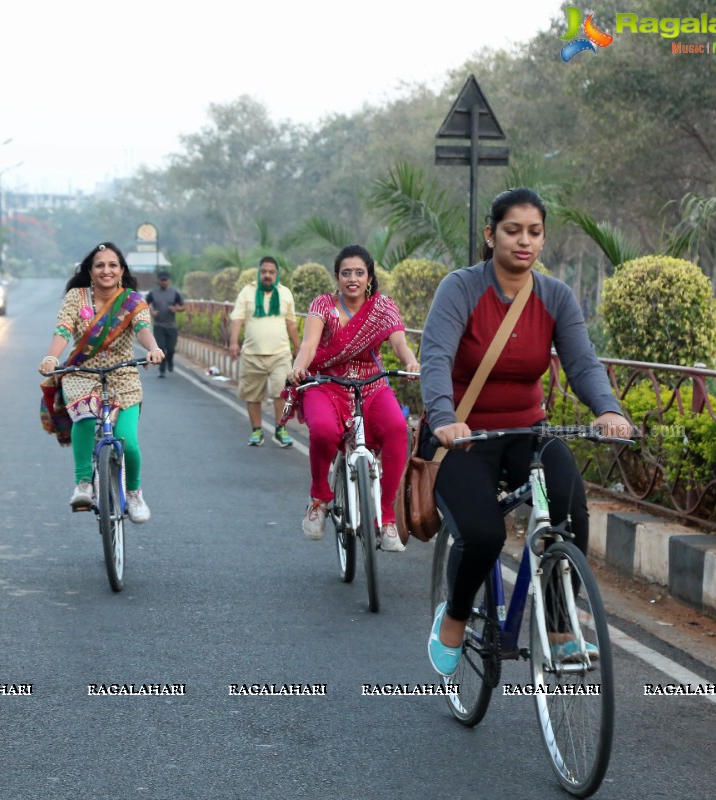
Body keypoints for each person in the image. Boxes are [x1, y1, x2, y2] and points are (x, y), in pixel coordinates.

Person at [418, 188, 632, 677]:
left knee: (568, 511)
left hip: (526, 433)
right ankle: (452, 616)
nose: (524, 241)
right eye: (513, 230)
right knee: (482, 533)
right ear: (491, 235)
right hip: (463, 437)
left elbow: (582, 363)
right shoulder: (461, 288)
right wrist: (444, 417)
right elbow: (435, 358)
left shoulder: (555, 296)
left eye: (534, 232)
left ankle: (559, 630)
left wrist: (608, 409)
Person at [288, 245, 420, 552]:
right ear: (336, 277)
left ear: (369, 278)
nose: (353, 279)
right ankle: (319, 498)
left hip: (370, 384)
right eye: (346, 273)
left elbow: (400, 344)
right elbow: (308, 346)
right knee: (322, 430)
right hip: (326, 383)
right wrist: (298, 368)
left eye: (359, 273)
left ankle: (387, 519)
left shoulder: (383, 308)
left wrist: (411, 362)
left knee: (398, 430)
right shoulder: (323, 305)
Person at [38, 242, 165, 522]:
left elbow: (143, 327)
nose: (106, 270)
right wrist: (51, 356)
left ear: (121, 271)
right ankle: (83, 484)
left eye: (112, 265)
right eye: (100, 265)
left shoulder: (132, 300)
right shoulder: (76, 297)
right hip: (82, 373)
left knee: (128, 442)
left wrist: (153, 349)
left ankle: (134, 493)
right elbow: (63, 329)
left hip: (124, 376)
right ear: (90, 271)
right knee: (84, 417)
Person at [229, 256, 300, 447]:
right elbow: (238, 318)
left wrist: (299, 347)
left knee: (282, 393)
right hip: (252, 354)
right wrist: (234, 342)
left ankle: (280, 429)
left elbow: (291, 323)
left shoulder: (285, 293)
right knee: (252, 395)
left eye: (271, 272)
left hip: (280, 353)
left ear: (277, 274)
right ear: (259, 272)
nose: (267, 275)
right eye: (264, 271)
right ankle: (256, 431)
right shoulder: (247, 292)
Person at [145, 271, 185, 377]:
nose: (163, 282)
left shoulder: (174, 293)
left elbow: (183, 306)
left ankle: (170, 361)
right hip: (159, 325)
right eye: (161, 280)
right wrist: (152, 311)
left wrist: (175, 308)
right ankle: (162, 370)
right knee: (161, 348)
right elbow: (144, 305)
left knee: (171, 349)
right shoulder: (153, 293)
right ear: (158, 281)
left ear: (169, 281)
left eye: (165, 280)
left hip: (171, 325)